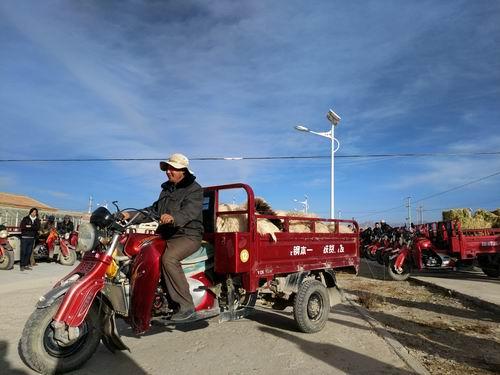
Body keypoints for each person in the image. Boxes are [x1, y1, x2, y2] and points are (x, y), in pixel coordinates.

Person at [123, 153, 204, 322]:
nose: (168, 171)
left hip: (188, 235)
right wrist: (129, 215)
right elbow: (153, 210)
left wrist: (173, 217)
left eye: (172, 168)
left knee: (169, 258)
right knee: (139, 252)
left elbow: (190, 211)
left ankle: (187, 307)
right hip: (166, 234)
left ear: (183, 171)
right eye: (167, 168)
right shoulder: (166, 190)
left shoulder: (194, 189)